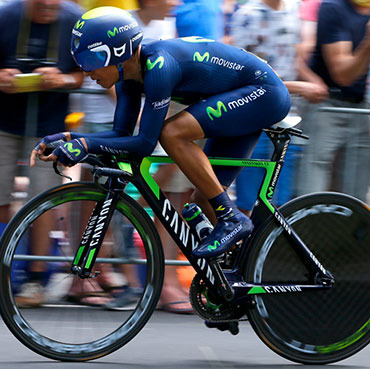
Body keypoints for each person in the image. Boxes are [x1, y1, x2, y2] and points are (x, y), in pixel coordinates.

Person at [30, 6, 291, 261]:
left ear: (119, 51)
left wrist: (85, 145)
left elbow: (145, 143)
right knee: (203, 198)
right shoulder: (127, 75)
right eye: (80, 62)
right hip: (238, 99)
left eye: (91, 60)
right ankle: (248, 272)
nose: (86, 71)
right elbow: (121, 133)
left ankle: (231, 218)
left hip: (264, 92)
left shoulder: (158, 66)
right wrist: (69, 139)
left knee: (172, 132)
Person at [0, 0, 83, 307]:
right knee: (0, 198)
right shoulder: (6, 16)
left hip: (48, 126)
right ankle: (6, 274)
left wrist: (62, 79)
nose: (48, 4)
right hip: (4, 122)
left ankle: (36, 279)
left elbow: (87, 72)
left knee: (42, 203)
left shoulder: (75, 20)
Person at [295, 0, 370, 203]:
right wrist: (368, 43)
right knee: (312, 192)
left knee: (354, 195)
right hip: (327, 106)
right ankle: (304, 233)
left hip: (362, 111)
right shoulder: (332, 7)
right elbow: (343, 75)